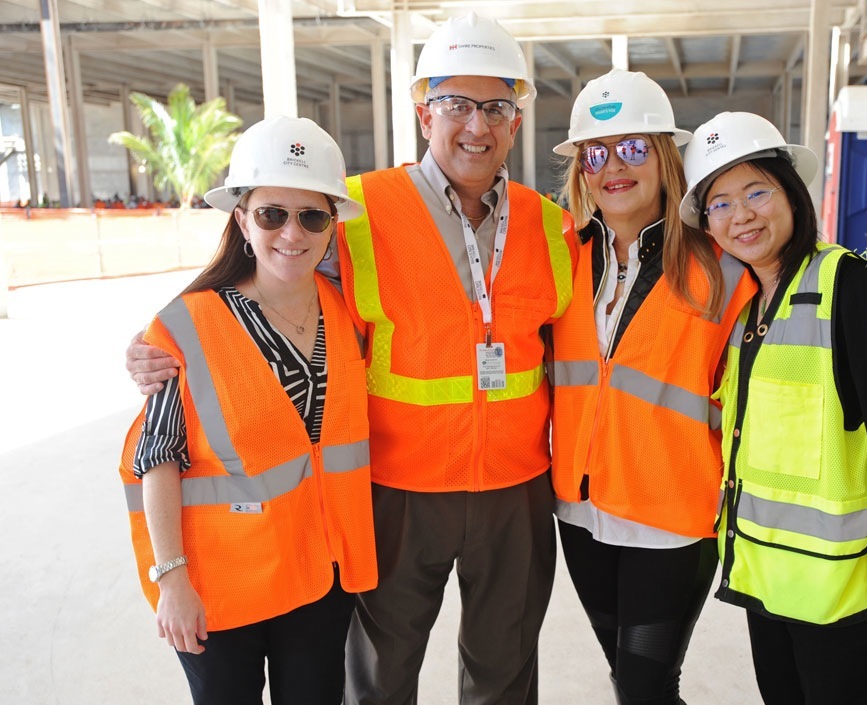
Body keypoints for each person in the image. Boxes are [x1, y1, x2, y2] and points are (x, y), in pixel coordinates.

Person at [127, 13, 578, 705]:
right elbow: (269, 264)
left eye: (495, 107)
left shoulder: (549, 224)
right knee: (379, 673)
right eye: (457, 104)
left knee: (505, 668)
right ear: (426, 112)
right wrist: (161, 343)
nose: (476, 126)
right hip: (396, 488)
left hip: (514, 489)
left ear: (516, 120)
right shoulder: (356, 209)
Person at [117, 115, 378, 705]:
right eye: (272, 215)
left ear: (332, 225)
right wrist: (172, 579)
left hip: (317, 576)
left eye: (312, 215)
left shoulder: (345, 313)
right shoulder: (189, 324)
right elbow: (156, 460)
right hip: (221, 586)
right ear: (241, 219)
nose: (293, 233)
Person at [679, 111, 867, 705]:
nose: (741, 216)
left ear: (790, 193)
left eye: (756, 191)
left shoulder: (849, 283)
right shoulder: (744, 307)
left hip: (850, 575)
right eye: (721, 203)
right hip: (771, 573)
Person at [548, 70, 755, 705]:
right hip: (581, 514)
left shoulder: (722, 266)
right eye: (597, 152)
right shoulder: (562, 254)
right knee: (628, 677)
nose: (615, 166)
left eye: (634, 148)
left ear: (666, 158)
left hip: (671, 521)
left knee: (644, 685)